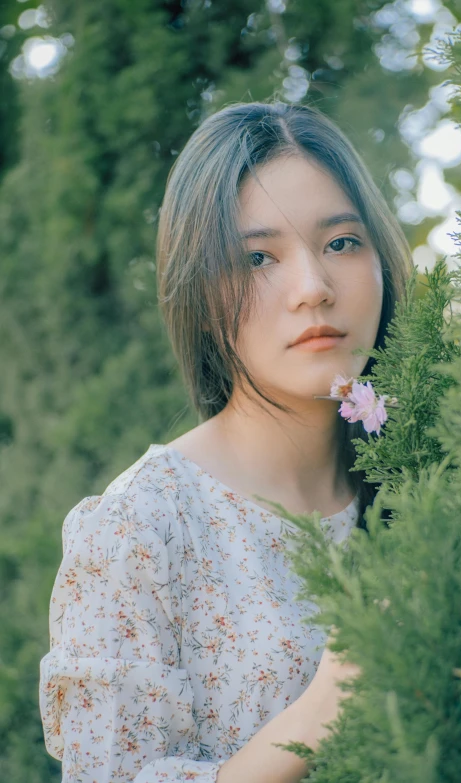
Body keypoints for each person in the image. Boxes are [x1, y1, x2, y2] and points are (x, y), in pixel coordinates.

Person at [39, 100, 413, 782]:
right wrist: (324, 704)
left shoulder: (432, 477)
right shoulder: (139, 528)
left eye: (341, 242)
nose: (313, 288)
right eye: (257, 257)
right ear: (199, 294)